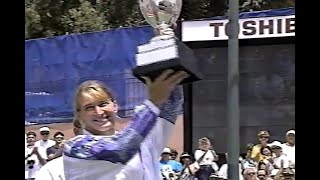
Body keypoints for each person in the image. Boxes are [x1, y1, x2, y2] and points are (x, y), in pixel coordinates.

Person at [63, 70, 188, 179]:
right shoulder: (76, 148)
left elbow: (171, 106)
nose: (99, 112)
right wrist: (152, 103)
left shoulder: (141, 142)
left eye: (103, 104)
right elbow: (120, 149)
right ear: (79, 115)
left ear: (115, 106)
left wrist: (167, 69)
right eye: (89, 107)